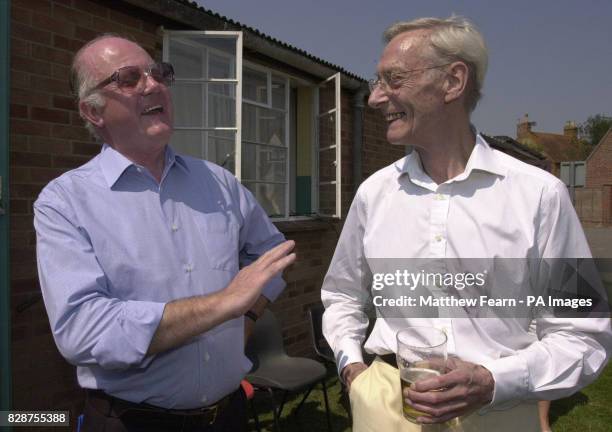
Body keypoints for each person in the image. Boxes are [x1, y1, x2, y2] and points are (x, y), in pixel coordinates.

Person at [321, 16, 611, 432]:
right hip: (385, 406)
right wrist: (354, 370)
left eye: (393, 78)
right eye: (377, 80)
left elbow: (584, 335)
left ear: (453, 82)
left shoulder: (541, 195)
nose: (374, 97)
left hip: (500, 413)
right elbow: (342, 295)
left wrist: (494, 381)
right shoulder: (373, 194)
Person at [34, 35, 296, 432]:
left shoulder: (219, 182)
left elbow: (272, 255)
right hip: (132, 420)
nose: (153, 85)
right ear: (93, 111)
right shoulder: (65, 201)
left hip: (229, 416)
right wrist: (224, 304)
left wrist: (247, 315)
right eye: (128, 78)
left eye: (158, 73)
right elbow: (83, 330)